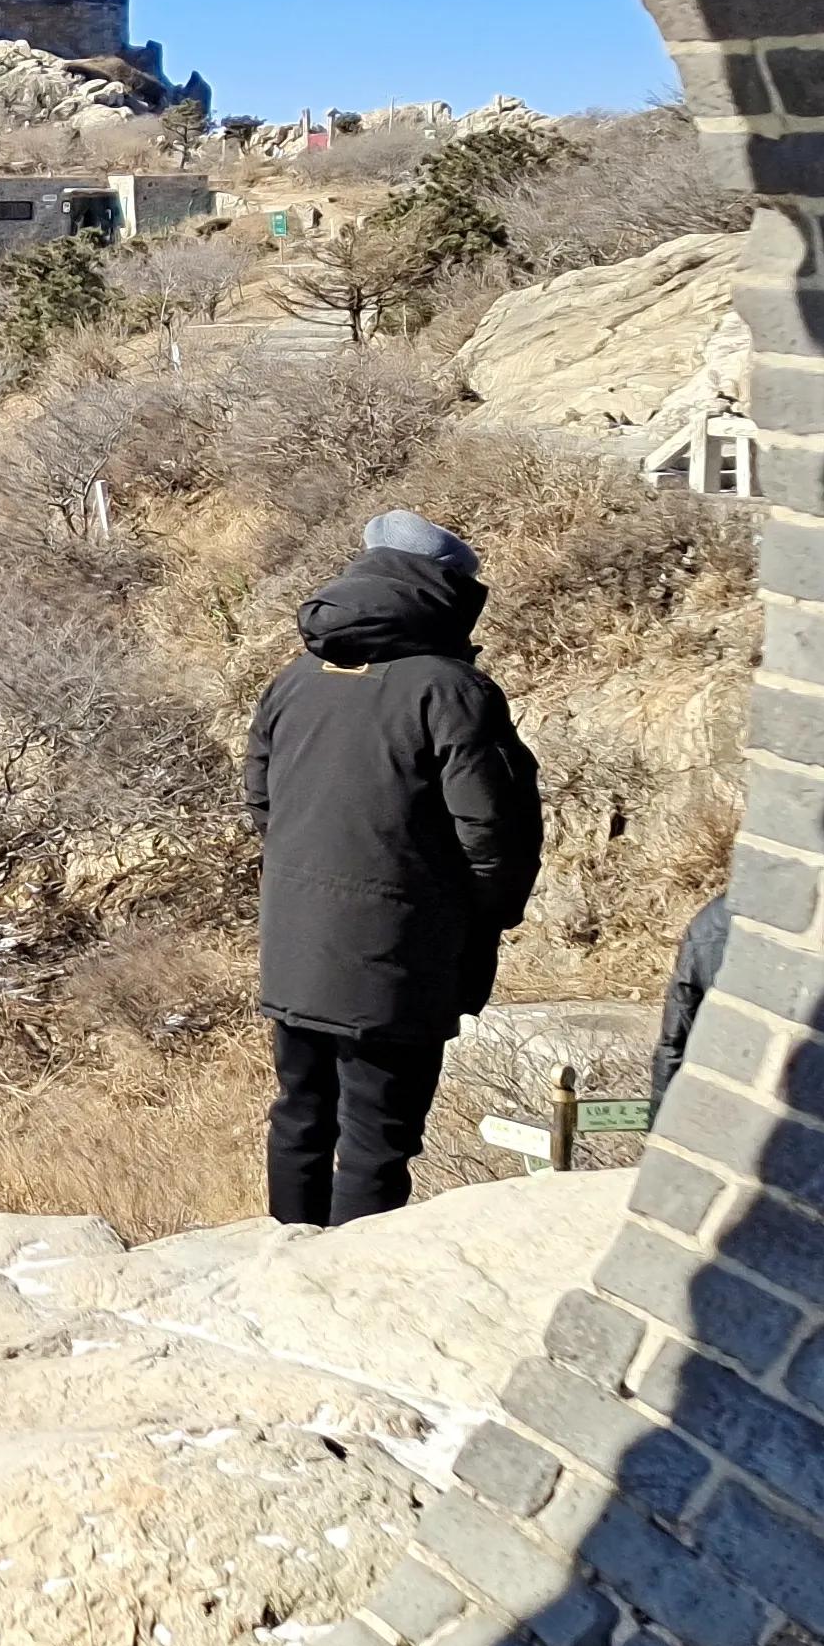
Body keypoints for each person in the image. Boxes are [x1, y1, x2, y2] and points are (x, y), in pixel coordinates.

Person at [244, 510, 543, 1225]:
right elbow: (491, 832)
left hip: (296, 941)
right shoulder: (450, 691)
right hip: (401, 949)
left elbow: (262, 802)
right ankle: (349, 1286)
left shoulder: (296, 679)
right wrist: (475, 914)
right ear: (447, 592)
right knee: (378, 1137)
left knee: (300, 1116)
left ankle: (285, 1262)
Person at [647, 888, 733, 1117]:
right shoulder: (810, 922)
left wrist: (659, 1118)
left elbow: (674, 1038)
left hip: (715, 1093)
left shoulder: (708, 922)